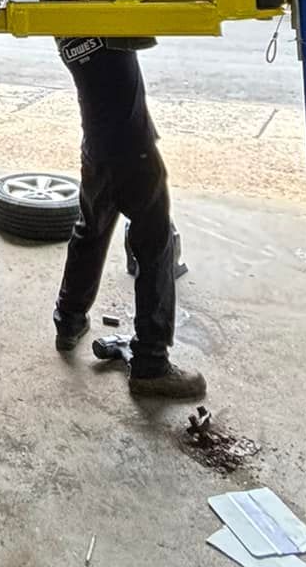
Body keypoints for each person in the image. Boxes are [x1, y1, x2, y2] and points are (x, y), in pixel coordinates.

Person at [50, 36, 206, 399]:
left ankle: (69, 320)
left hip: (97, 145)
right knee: (155, 243)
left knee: (91, 229)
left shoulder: (66, 19)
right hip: (132, 149)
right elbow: (146, 27)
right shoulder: (105, 13)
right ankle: (152, 363)